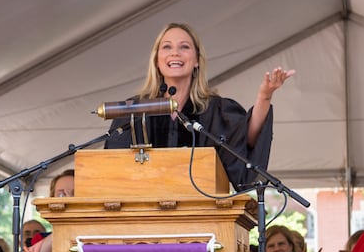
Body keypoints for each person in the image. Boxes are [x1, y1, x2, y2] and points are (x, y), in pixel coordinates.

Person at [104, 22, 295, 191]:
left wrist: (264, 96)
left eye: (184, 47)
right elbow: (112, 171)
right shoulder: (134, 111)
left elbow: (245, 141)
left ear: (196, 60)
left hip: (202, 217)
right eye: (167, 47)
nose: (175, 53)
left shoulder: (216, 110)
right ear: (157, 61)